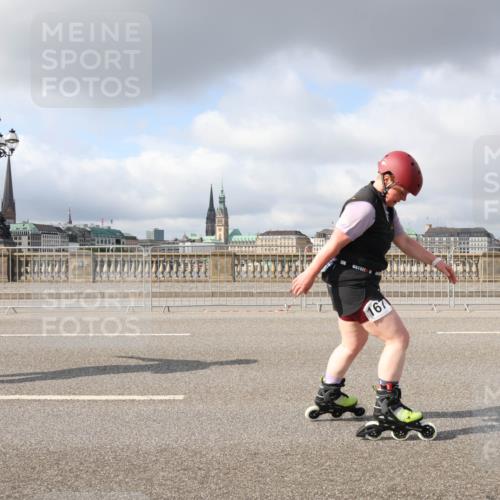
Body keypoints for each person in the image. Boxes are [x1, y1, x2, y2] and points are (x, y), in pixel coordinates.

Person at [291, 151, 457, 440]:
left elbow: (404, 241)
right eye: (402, 192)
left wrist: (436, 262)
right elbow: (334, 243)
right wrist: (309, 274)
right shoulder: (365, 207)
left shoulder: (385, 208)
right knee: (398, 338)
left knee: (353, 341)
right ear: (387, 178)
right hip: (355, 283)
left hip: (351, 281)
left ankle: (329, 393)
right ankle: (388, 406)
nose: (403, 198)